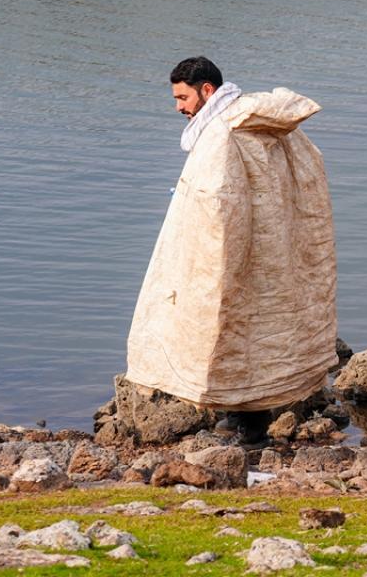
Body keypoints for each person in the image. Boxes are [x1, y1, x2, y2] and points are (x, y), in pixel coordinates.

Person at [125, 57, 339, 447]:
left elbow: (219, 201)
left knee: (228, 322)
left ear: (207, 90)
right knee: (254, 327)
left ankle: (247, 424)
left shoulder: (225, 132)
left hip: (239, 246)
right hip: (271, 247)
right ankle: (243, 415)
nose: (178, 107)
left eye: (183, 97)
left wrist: (206, 258)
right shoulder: (250, 122)